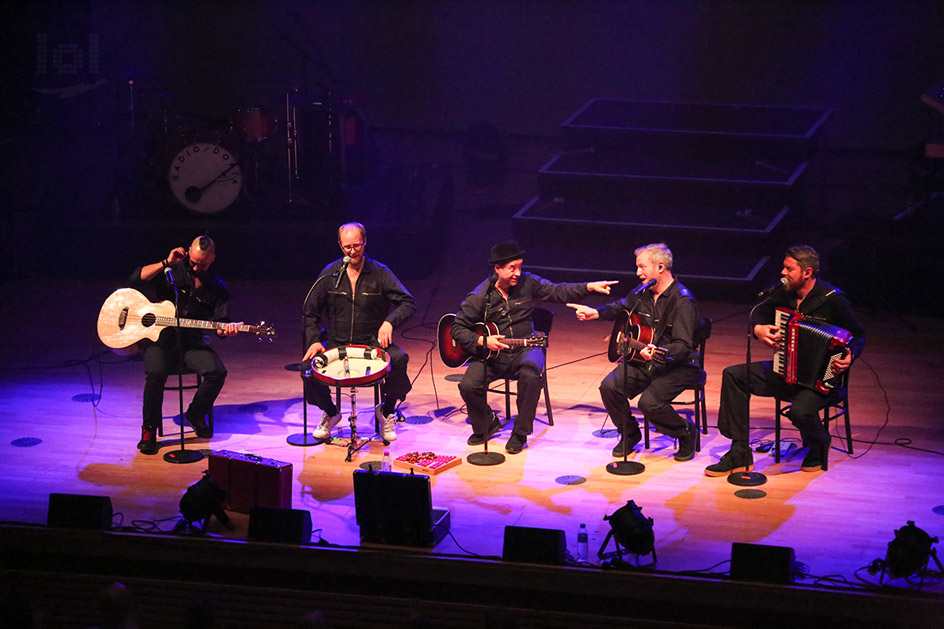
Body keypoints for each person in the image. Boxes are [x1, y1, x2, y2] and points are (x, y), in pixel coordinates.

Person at [704, 244, 866, 476]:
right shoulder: (784, 293)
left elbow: (858, 335)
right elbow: (759, 312)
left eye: (789, 268)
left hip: (822, 380)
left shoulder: (833, 299)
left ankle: (819, 442)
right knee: (734, 375)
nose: (783, 272)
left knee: (799, 412)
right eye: (784, 267)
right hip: (785, 370)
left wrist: (850, 356)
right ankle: (739, 451)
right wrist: (759, 328)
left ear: (807, 273)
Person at [451, 240, 618, 454]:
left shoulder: (528, 282)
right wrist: (482, 341)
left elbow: (559, 291)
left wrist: (588, 287)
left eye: (520, 266)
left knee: (530, 375)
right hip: (493, 354)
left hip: (526, 347)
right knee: (468, 385)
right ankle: (487, 423)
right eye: (512, 268)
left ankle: (520, 433)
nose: (518, 273)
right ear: (497, 268)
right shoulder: (480, 296)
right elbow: (457, 328)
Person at [568, 242, 702, 461]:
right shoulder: (643, 293)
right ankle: (629, 433)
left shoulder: (683, 301)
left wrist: (660, 351)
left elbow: (683, 345)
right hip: (645, 361)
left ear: (660, 267)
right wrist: (596, 313)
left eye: (642, 267)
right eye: (637, 267)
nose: (637, 272)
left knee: (649, 403)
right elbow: (623, 305)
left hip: (678, 366)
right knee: (610, 387)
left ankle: (685, 432)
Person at [303, 222, 416, 442]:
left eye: (357, 245)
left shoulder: (380, 273)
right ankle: (331, 412)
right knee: (307, 369)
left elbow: (408, 302)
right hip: (337, 342)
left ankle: (386, 411)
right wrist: (314, 340)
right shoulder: (329, 274)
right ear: (339, 245)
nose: (352, 251)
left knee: (399, 359)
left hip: (371, 342)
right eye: (347, 247)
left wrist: (390, 322)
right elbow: (310, 312)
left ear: (365, 242)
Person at [130, 235, 240, 455]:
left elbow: (220, 325)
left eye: (204, 263)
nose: (197, 266)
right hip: (159, 340)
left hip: (191, 343)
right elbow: (135, 279)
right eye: (195, 261)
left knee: (217, 371)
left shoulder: (218, 288)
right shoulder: (172, 271)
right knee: (156, 372)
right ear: (188, 252)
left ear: (213, 259)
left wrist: (225, 330)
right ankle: (149, 429)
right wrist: (166, 263)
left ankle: (196, 413)